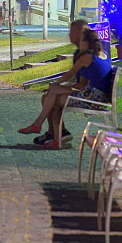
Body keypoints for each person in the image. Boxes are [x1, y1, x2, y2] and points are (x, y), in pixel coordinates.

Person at [18, 21, 111, 149]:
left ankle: (44, 128)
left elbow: (69, 75)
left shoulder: (86, 57)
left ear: (87, 42)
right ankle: (55, 136)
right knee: (51, 97)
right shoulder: (100, 55)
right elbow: (82, 83)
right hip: (96, 96)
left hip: (93, 99)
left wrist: (55, 84)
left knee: (53, 96)